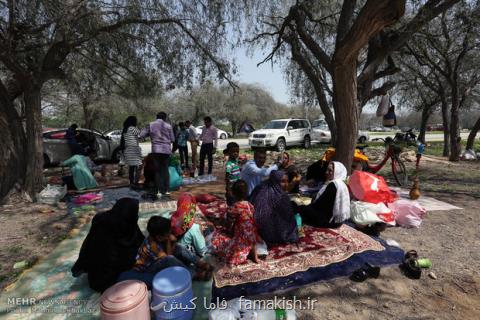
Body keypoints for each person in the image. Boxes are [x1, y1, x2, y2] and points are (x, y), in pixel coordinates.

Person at [71, 198, 145, 292]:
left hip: (94, 278)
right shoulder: (126, 224)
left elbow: (87, 247)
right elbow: (124, 255)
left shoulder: (101, 218)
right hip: (111, 282)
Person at [133, 216, 211, 280]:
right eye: (167, 234)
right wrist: (168, 241)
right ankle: (193, 275)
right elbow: (168, 258)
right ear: (159, 237)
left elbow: (173, 248)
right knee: (170, 259)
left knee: (179, 247)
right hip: (148, 269)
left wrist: (172, 242)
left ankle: (199, 263)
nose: (169, 234)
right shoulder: (152, 245)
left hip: (158, 259)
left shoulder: (158, 237)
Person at [211, 180, 260, 265]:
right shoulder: (250, 205)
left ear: (233, 194)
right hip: (252, 236)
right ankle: (255, 256)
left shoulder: (235, 207)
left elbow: (228, 224)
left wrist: (223, 227)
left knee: (217, 238)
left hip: (241, 237)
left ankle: (244, 253)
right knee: (250, 231)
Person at [295, 161, 350, 228]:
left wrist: (306, 207)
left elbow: (319, 205)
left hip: (329, 221)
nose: (326, 172)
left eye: (330, 171)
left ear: (337, 172)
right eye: (327, 170)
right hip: (338, 221)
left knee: (300, 208)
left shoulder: (333, 185)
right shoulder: (342, 184)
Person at [250, 171, 299, 244]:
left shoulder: (261, 186)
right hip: (266, 229)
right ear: (275, 181)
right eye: (282, 181)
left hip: (256, 228)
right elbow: (288, 216)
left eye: (287, 181)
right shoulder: (279, 195)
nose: (286, 184)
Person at [139, 112, 175, 199]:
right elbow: (173, 139)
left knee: (157, 171)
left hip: (156, 150)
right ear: (165, 118)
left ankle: (159, 190)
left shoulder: (151, 125)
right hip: (166, 150)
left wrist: (150, 134)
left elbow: (141, 135)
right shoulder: (168, 126)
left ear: (156, 117)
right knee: (165, 170)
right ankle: (166, 190)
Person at [121, 116, 143, 188]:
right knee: (139, 166)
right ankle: (136, 182)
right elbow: (141, 134)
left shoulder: (125, 129)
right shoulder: (132, 128)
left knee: (131, 167)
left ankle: (131, 182)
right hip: (134, 150)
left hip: (128, 150)